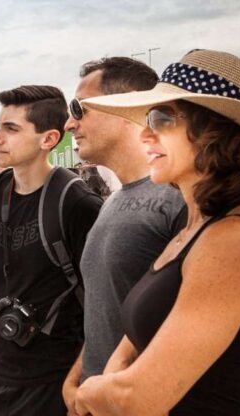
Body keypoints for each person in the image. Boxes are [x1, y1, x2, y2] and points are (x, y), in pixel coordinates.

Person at [73, 49, 240, 415]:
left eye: (163, 119)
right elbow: (131, 347)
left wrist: (85, 395)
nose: (146, 133)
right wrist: (101, 385)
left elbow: (138, 399)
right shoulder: (197, 227)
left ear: (216, 132)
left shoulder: (238, 240)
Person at [0, 85, 102, 415]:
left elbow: (105, 304)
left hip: (56, 383)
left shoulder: (76, 204)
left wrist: (79, 385)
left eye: (11, 129)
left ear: (48, 139)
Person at [61, 57, 187, 414]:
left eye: (78, 109)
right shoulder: (113, 201)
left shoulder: (178, 200)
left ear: (125, 107)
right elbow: (109, 310)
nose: (70, 123)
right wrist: (77, 381)